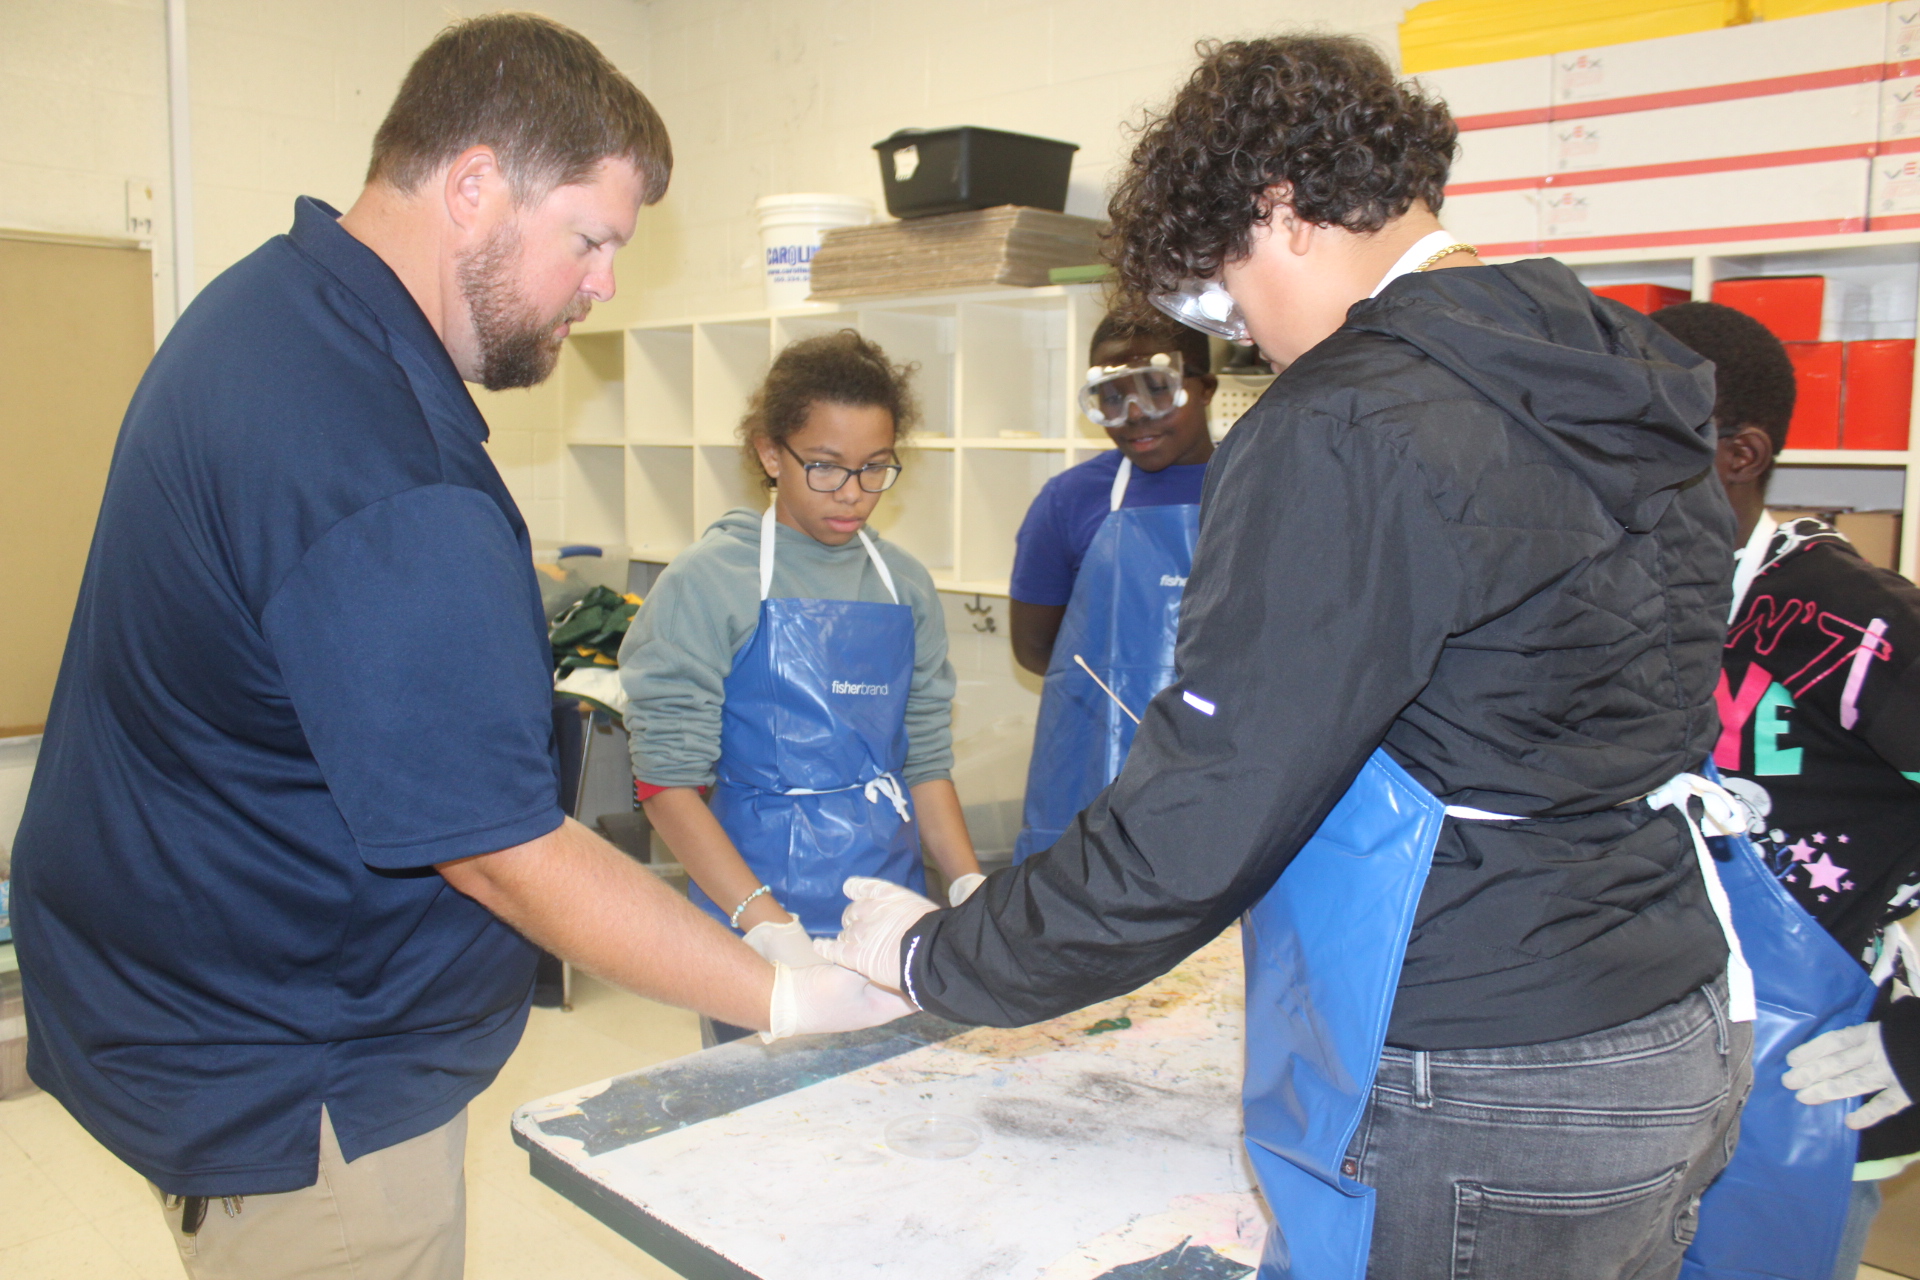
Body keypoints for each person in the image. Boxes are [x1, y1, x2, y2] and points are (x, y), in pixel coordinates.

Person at [821, 34, 1754, 1279]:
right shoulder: (1617, 359)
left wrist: (940, 955)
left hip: (1480, 1073)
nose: (1245, 335)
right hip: (1672, 1028)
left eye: (1223, 292)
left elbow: (1198, 818)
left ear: (1278, 210)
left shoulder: (1347, 418)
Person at [8, 17, 906, 1280]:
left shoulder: (270, 307)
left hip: (177, 998)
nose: (604, 286)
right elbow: (502, 852)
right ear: (475, 183)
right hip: (300, 1087)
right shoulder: (383, 462)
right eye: (589, 240)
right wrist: (781, 992)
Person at [1653, 301, 1920, 1280]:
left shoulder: (1844, 623)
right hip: (1649, 1088)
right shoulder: (1616, 593)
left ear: (1736, 453)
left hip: (1812, 1093)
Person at [621, 331, 984, 1044]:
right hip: (752, 906)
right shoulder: (710, 581)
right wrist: (767, 926)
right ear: (768, 453)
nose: (852, 494)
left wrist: (968, 886)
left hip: (888, 904)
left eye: (875, 469)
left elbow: (925, 765)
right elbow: (666, 785)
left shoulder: (903, 584)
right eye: (824, 467)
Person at [1007, 315, 1216, 861]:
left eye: (1157, 389)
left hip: (1221, 769)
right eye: (1110, 397)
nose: (1135, 417)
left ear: (1206, 387)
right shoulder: (1069, 501)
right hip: (1093, 773)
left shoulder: (1259, 491)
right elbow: (1036, 651)